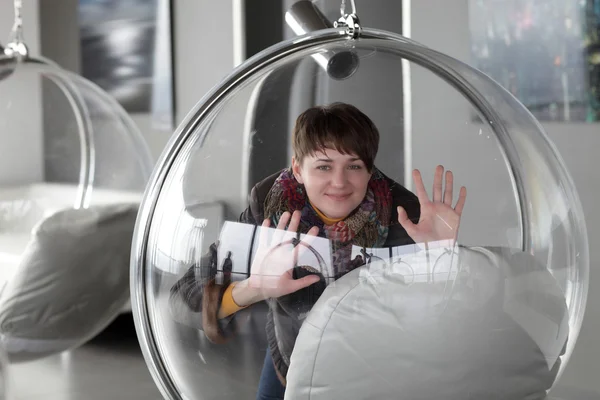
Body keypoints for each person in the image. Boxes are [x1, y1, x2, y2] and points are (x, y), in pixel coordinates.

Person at [169, 102, 467, 400]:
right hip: (292, 358)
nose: (339, 182)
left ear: (369, 169)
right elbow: (184, 297)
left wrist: (443, 258)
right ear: (298, 168)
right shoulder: (268, 208)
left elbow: (445, 324)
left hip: (380, 370)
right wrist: (256, 287)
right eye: (324, 166)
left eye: (354, 166)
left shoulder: (404, 214)